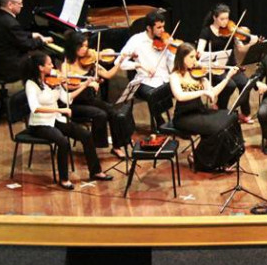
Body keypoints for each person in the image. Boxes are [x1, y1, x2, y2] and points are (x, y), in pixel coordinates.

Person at [23, 52, 112, 190]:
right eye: (49, 64)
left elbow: (67, 99)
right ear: (41, 67)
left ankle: (96, 171)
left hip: (55, 119)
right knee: (63, 142)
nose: (53, 66)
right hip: (40, 124)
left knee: (85, 134)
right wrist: (60, 110)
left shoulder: (54, 81)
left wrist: (85, 85)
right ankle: (64, 179)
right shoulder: (31, 84)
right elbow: (35, 108)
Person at [169, 43, 242, 172]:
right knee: (217, 128)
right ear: (182, 58)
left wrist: (227, 77)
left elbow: (213, 92)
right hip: (184, 117)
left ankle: (227, 158)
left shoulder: (198, 73)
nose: (195, 61)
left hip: (200, 111)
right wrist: (202, 92)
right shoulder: (174, 76)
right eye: (191, 57)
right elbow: (180, 96)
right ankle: (199, 159)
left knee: (231, 116)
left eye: (195, 57)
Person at [61, 30, 133, 158]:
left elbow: (108, 74)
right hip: (74, 103)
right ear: (74, 47)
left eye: (86, 46)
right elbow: (67, 86)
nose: (85, 49)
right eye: (82, 46)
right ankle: (94, 146)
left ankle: (117, 146)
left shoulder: (90, 62)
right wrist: (87, 84)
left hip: (89, 100)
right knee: (100, 114)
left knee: (113, 112)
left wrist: (120, 62)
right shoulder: (66, 65)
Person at [196, 4, 258, 124]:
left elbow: (241, 49)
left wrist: (251, 43)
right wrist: (206, 56)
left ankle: (245, 113)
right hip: (215, 68)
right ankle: (221, 108)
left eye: (227, 18)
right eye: (222, 19)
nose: (225, 22)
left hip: (231, 66)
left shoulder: (231, 30)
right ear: (214, 17)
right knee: (230, 85)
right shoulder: (206, 32)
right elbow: (199, 52)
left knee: (245, 83)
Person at [119, 10, 174, 129]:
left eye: (163, 26)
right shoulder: (136, 40)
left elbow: (171, 64)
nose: (163, 30)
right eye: (159, 27)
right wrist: (138, 65)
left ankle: (178, 123)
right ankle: (159, 123)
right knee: (154, 94)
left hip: (164, 79)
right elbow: (120, 62)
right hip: (144, 81)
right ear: (149, 28)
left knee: (181, 90)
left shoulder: (164, 40)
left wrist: (171, 50)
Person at [0, 0, 52, 81]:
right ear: (10, 4)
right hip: (9, 68)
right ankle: (41, 87)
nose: (22, 6)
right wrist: (42, 40)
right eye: (19, 3)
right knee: (42, 62)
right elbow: (26, 45)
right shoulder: (10, 23)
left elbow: (13, 35)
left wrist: (31, 34)